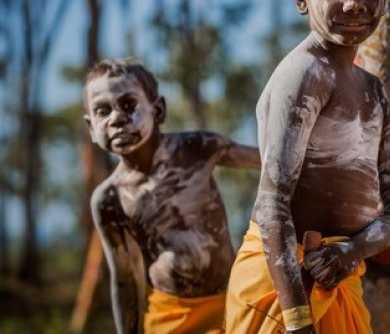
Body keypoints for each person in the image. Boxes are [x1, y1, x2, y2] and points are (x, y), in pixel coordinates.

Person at [224, 0, 390, 334]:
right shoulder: (304, 74)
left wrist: (352, 251)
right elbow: (273, 205)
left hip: (337, 278)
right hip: (284, 289)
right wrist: (297, 320)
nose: (354, 4)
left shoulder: (374, 91)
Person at [83, 58, 261, 334]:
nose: (116, 119)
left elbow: (269, 161)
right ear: (90, 128)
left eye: (128, 105)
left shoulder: (197, 148)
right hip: (170, 317)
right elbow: (124, 279)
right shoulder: (109, 199)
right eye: (102, 111)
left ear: (158, 110)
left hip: (233, 301)